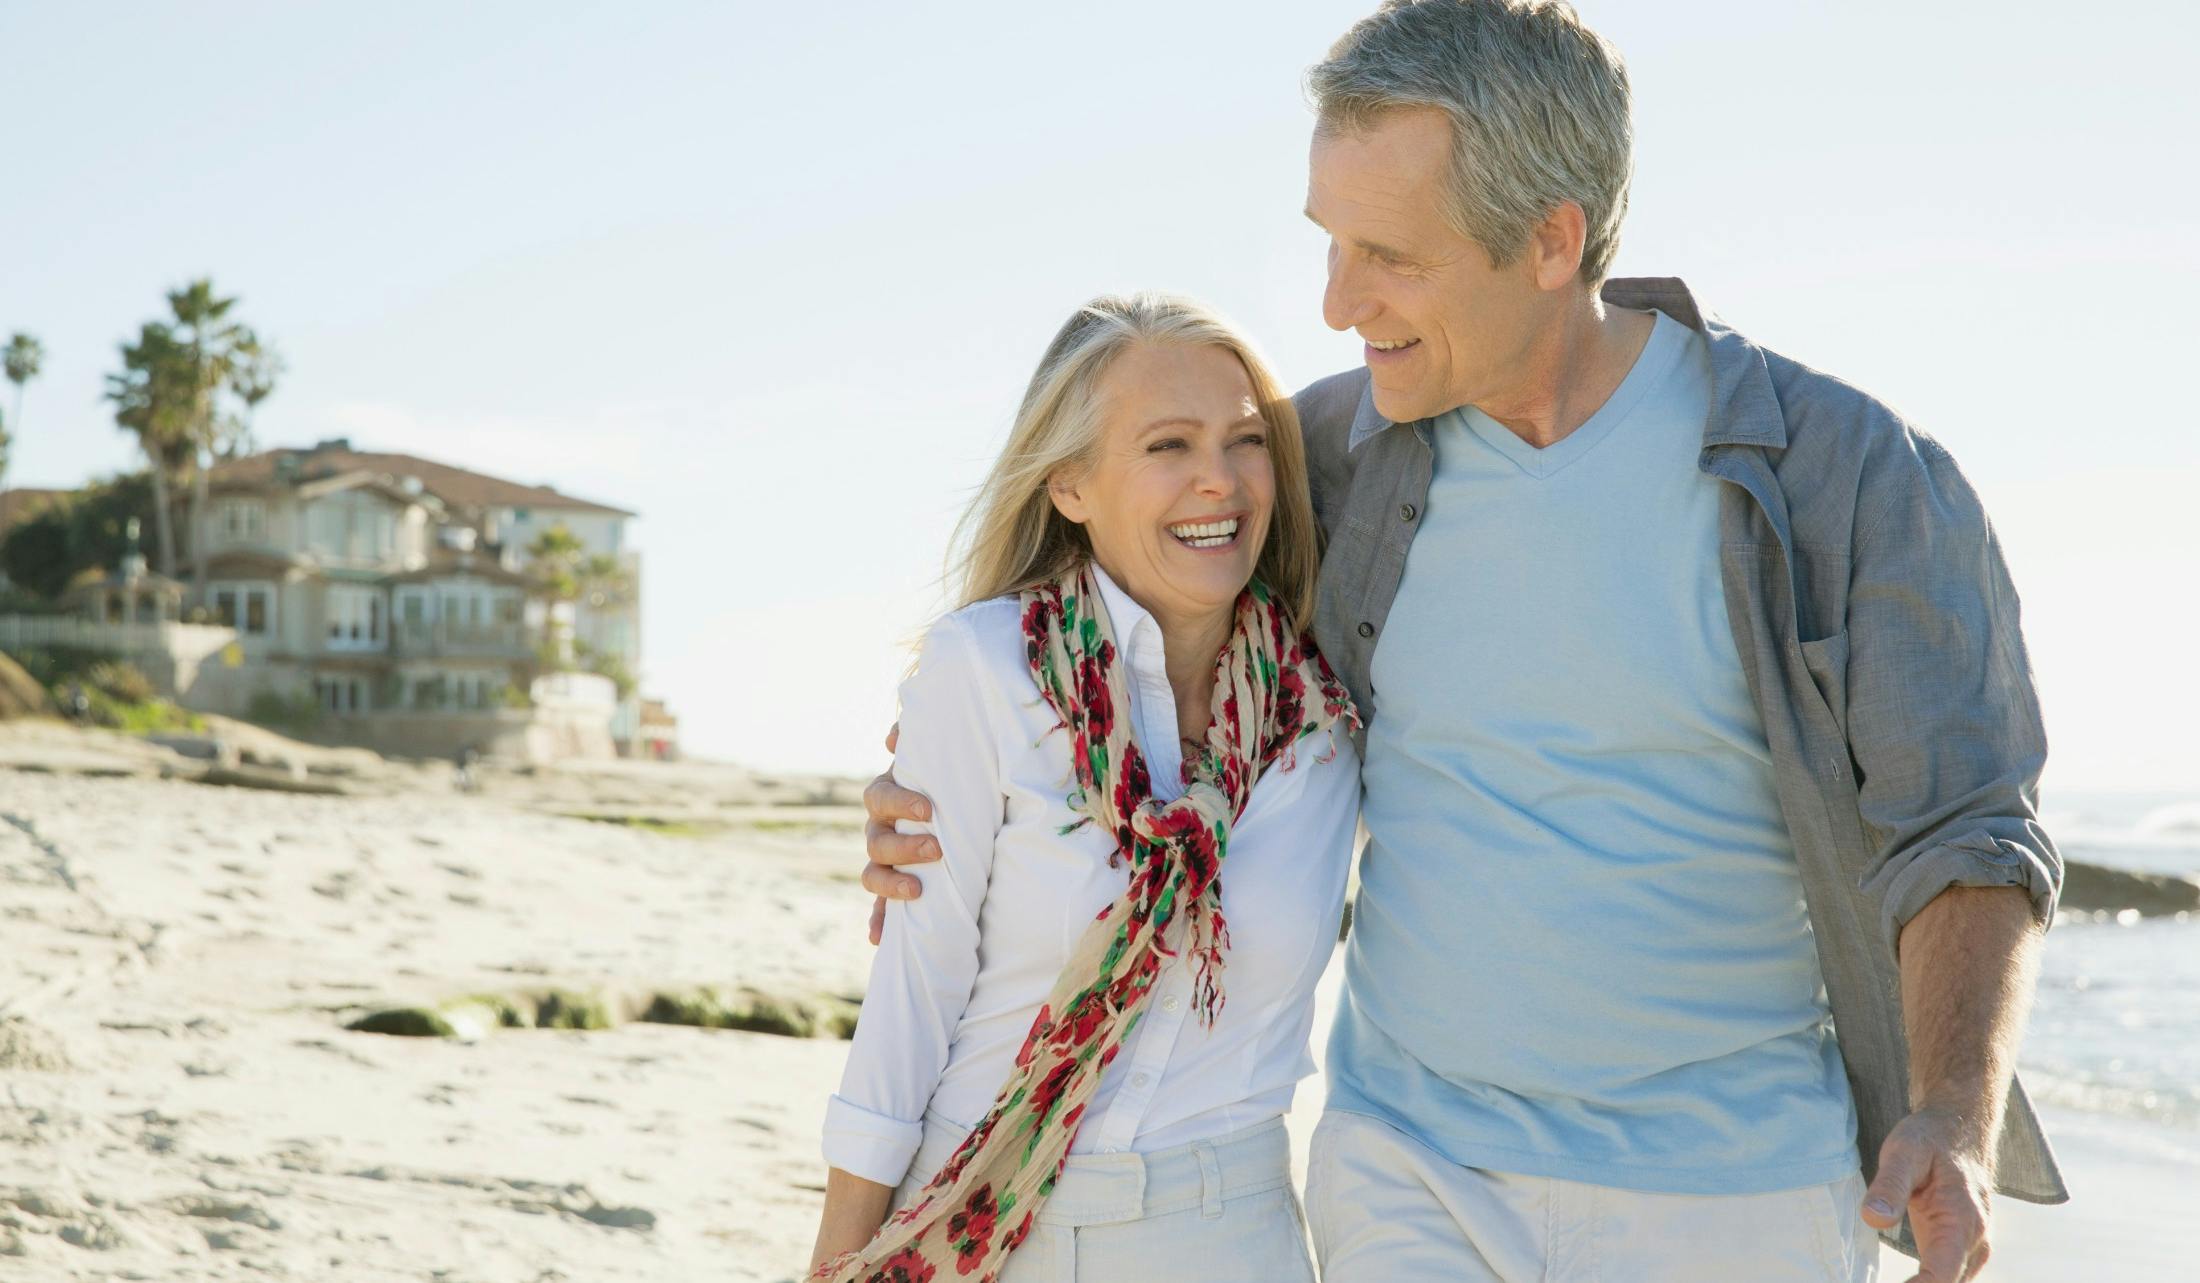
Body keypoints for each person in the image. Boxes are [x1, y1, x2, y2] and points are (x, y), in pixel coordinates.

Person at [859, 3, 2065, 1280]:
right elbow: (1104, 607)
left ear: (1551, 242)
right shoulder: (1322, 462)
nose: (1334, 304)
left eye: (1390, 256)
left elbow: (1966, 828)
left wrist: (1951, 1117)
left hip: (1739, 1195)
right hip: (1406, 1172)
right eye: (1329, 243)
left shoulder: (1847, 477)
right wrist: (940, 772)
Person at [808, 293, 1359, 1281]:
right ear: (1068, 483)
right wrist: (837, 1256)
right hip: (981, 1216)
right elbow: (912, 1000)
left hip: (1230, 1237)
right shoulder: (985, 670)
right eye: (1166, 445)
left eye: (1245, 440)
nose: (1217, 481)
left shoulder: (1326, 717)